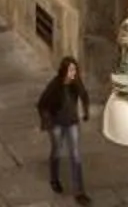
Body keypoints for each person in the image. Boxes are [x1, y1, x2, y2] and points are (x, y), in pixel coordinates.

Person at [36, 56, 91, 201]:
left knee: (76, 155)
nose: (74, 73)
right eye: (71, 70)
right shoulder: (55, 85)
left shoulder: (76, 83)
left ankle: (79, 192)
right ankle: (54, 179)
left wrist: (85, 111)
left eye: (75, 70)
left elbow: (84, 95)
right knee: (57, 151)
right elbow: (42, 104)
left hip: (72, 123)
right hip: (57, 124)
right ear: (64, 71)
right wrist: (47, 122)